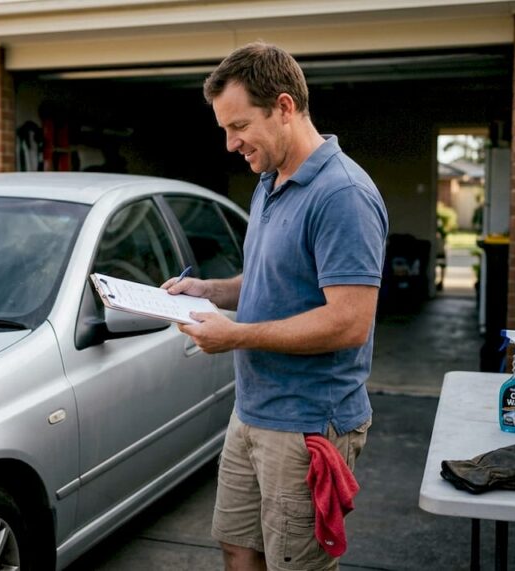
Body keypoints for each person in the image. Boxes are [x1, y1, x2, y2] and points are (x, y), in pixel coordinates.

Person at [162, 42, 388, 571]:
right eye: (224, 128)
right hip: (254, 410)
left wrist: (235, 334)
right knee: (239, 548)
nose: (230, 143)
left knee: (294, 564)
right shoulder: (270, 181)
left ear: (284, 107)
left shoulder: (342, 195)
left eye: (238, 126)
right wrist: (212, 291)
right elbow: (275, 279)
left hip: (306, 422)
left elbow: (350, 321)